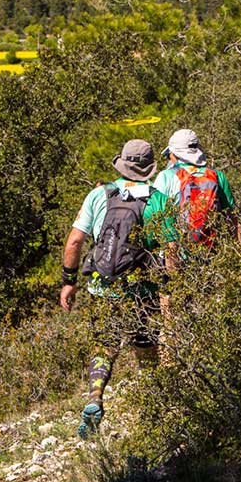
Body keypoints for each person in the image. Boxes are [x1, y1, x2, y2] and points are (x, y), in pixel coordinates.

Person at [60, 139, 171, 439]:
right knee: (146, 349)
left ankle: (95, 396)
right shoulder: (158, 200)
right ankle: (151, 417)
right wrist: (171, 290)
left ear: (121, 164)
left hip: (102, 287)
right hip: (142, 292)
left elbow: (74, 242)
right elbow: (171, 249)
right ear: (149, 168)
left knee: (103, 345)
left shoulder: (100, 194)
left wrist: (69, 281)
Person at [154, 128, 241, 363]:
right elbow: (233, 219)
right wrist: (238, 256)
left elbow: (154, 217)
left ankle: (173, 364)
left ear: (174, 154)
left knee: (171, 314)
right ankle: (210, 360)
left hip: (173, 256)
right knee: (207, 311)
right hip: (210, 254)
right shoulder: (217, 176)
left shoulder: (165, 178)